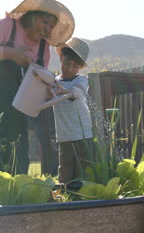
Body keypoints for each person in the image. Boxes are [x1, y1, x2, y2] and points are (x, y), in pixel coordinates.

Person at [0, 0, 75, 180]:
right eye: (45, 22)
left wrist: (47, 90)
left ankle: (16, 198)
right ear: (32, 16)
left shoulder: (43, 47)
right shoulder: (7, 27)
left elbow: (41, 78)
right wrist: (10, 53)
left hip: (15, 106)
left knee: (16, 151)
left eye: (51, 26)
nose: (47, 29)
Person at [52, 37, 94, 184]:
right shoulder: (53, 82)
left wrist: (63, 91)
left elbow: (77, 93)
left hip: (83, 132)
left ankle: (83, 193)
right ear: (61, 58)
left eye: (75, 66)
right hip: (64, 134)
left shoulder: (81, 80)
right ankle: (65, 192)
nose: (70, 69)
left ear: (80, 67)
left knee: (84, 166)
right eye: (67, 63)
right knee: (65, 166)